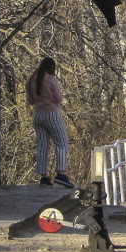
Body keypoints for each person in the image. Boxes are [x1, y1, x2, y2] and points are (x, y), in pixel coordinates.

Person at [26, 57, 74, 188]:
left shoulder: (31, 79)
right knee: (62, 142)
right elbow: (59, 98)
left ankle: (44, 176)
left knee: (42, 145)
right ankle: (61, 173)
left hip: (37, 115)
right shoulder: (51, 79)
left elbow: (30, 101)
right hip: (52, 114)